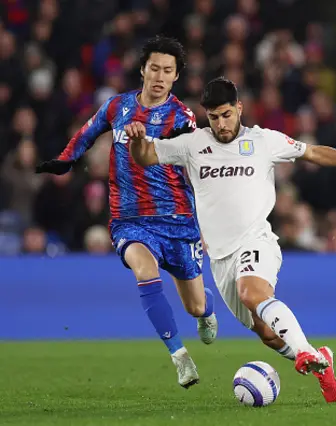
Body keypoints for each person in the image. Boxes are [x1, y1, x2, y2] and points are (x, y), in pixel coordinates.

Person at [124, 77, 336, 403]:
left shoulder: (263, 141)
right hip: (220, 258)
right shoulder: (192, 144)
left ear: (239, 108)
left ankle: (303, 354)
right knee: (267, 333)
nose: (221, 124)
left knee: (252, 290)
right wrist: (137, 141)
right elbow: (147, 157)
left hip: (256, 240)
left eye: (226, 115)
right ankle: (318, 359)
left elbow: (311, 152)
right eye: (213, 117)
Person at [35, 36, 218, 389]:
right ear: (142, 69)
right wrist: (65, 160)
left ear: (176, 76)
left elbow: (188, 154)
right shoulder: (117, 107)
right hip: (129, 219)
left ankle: (206, 311)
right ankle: (180, 357)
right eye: (154, 68)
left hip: (177, 219)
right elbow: (87, 133)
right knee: (145, 272)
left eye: (168, 70)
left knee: (194, 305)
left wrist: (144, 141)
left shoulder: (182, 116)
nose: (160, 76)